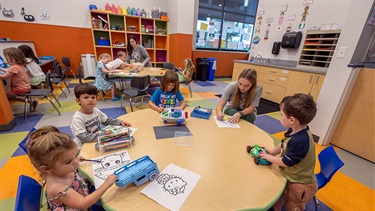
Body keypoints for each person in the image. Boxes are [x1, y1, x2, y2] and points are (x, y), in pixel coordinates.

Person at [26, 126, 118, 210]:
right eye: (68, 161)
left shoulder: (60, 169)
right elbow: (83, 203)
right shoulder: (58, 188)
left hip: (83, 197)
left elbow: (68, 163)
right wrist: (106, 185)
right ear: (46, 169)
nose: (76, 161)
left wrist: (74, 159)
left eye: (76, 155)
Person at [259, 93, 318, 211]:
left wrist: (268, 157)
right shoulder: (295, 129)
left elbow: (285, 162)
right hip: (290, 174)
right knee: (280, 194)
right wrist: (271, 152)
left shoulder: (300, 140)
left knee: (293, 206)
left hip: (299, 184)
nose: (280, 116)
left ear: (292, 120)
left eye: (281, 115)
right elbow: (284, 142)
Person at [71, 83, 132, 148]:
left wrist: (120, 122)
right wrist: (102, 135)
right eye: (86, 97)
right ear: (78, 101)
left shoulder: (96, 111)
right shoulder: (77, 118)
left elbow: (107, 120)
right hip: (83, 146)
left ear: (97, 99)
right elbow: (84, 137)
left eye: (93, 97)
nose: (90, 100)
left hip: (97, 140)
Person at [0, 47, 38, 111]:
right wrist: (1, 69)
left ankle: (8, 112)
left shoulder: (14, 67)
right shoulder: (19, 65)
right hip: (26, 87)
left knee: (4, 96)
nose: (6, 59)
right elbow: (9, 71)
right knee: (11, 96)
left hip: (20, 88)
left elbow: (4, 77)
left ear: (13, 58)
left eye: (7, 58)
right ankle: (32, 102)